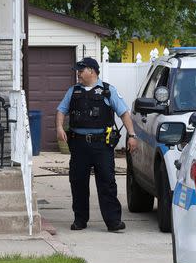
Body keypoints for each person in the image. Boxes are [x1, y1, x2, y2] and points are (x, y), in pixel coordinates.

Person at [55, 57, 138, 232]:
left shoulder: (108, 91)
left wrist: (132, 135)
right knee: (78, 183)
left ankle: (113, 222)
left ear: (91, 71)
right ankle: (80, 220)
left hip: (102, 145)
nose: (78, 73)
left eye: (81, 70)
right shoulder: (73, 91)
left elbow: (124, 113)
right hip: (78, 145)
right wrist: (59, 127)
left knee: (107, 183)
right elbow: (61, 110)